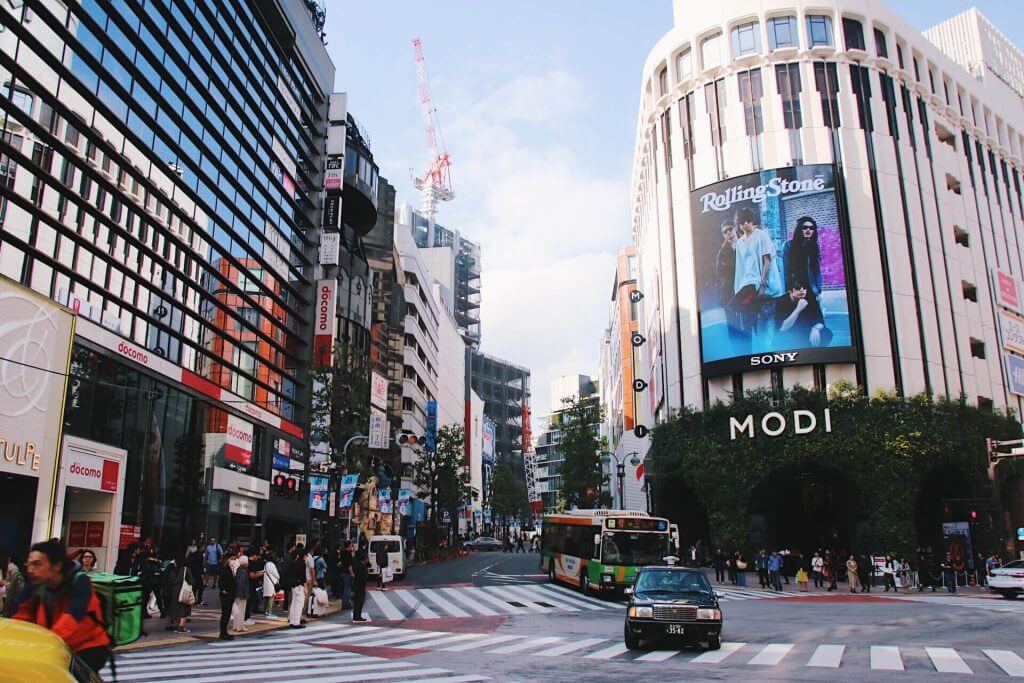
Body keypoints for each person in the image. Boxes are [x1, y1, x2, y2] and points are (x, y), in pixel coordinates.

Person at [9, 539, 111, 673]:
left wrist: (47, 644)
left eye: (37, 564)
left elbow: (72, 617)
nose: (31, 570)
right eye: (29, 564)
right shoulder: (37, 584)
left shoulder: (80, 581)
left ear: (56, 565)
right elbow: (21, 616)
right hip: (59, 646)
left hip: (88, 647)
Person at [729, 207, 782, 339]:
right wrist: (738, 287)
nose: (745, 224)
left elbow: (767, 261)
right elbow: (740, 267)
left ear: (752, 220)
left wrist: (763, 286)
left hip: (760, 282)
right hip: (747, 282)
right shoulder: (740, 242)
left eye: (748, 220)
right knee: (735, 307)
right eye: (742, 222)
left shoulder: (761, 235)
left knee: (767, 325)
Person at [773, 283, 831, 350]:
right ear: (790, 290)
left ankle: (813, 354)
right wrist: (798, 309)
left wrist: (815, 328)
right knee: (783, 339)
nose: (802, 290)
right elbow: (782, 328)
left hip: (805, 331)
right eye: (798, 287)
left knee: (827, 333)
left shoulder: (811, 298)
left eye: (804, 288)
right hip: (789, 333)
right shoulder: (781, 301)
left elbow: (820, 321)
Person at [783, 216, 823, 296]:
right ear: (799, 229)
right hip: (795, 287)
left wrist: (818, 289)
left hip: (811, 287)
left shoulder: (814, 247)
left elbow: (817, 270)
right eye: (805, 227)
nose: (808, 230)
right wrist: (788, 288)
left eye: (811, 228)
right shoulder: (789, 245)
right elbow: (785, 268)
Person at [161, 555, 191, 634]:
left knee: (173, 608)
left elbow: (167, 580)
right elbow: (192, 580)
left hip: (171, 591)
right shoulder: (185, 570)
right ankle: (181, 626)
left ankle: (171, 624)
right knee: (184, 608)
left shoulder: (170, 569)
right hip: (183, 591)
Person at [288, 544, 310, 629]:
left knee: (294, 603)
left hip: (294, 585)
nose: (307, 557)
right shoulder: (302, 564)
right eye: (306, 555)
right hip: (299, 586)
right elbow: (303, 577)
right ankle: (296, 622)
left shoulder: (295, 562)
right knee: (299, 604)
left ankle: (292, 621)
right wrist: (306, 588)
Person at [217, 550, 237, 640]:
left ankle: (224, 632)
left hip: (230, 593)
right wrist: (223, 590)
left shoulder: (231, 568)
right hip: (226, 594)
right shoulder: (225, 568)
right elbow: (221, 580)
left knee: (227, 614)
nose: (233, 560)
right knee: (225, 613)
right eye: (232, 559)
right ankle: (223, 632)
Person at [232, 554, 250, 632]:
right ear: (245, 563)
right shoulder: (244, 571)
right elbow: (241, 583)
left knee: (237, 611)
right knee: (241, 611)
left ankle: (235, 626)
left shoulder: (239, 570)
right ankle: (240, 626)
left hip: (237, 593)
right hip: (242, 594)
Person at [352, 551, 369, 622]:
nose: (368, 560)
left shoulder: (357, 565)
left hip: (356, 585)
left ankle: (355, 615)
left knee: (356, 601)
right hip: (361, 586)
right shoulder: (363, 567)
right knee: (360, 601)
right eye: (367, 558)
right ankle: (358, 616)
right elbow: (364, 577)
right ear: (364, 559)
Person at [262, 550, 280, 618]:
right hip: (271, 584)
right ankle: (269, 612)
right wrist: (279, 577)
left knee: (266, 598)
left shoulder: (266, 564)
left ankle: (266, 611)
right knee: (271, 597)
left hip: (267, 583)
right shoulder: (271, 564)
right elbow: (276, 575)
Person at [339, 540, 354, 610]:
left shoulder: (342, 552)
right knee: (347, 589)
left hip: (342, 572)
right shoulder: (348, 553)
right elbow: (349, 565)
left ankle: (345, 604)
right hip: (347, 573)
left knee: (345, 588)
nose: (352, 546)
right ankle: (346, 604)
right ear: (349, 545)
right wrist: (352, 573)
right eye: (351, 544)